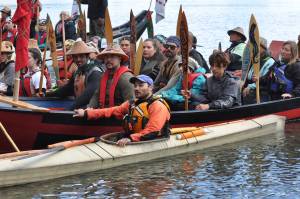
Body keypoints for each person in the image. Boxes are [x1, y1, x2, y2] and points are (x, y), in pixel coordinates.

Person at [74, 74, 171, 146]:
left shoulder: (157, 105)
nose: (136, 88)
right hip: (136, 138)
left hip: (155, 140)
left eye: (141, 85)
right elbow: (112, 110)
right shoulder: (132, 103)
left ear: (150, 87)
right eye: (135, 85)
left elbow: (152, 130)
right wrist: (87, 113)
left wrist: (130, 139)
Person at [46, 41, 102, 110]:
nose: (78, 59)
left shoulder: (95, 73)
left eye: (81, 56)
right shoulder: (77, 73)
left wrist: (70, 109)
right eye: (75, 57)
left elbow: (88, 95)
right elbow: (66, 89)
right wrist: (47, 95)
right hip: (79, 110)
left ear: (87, 56)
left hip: (91, 112)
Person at [243, 37, 275, 104]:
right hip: (250, 90)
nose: (251, 48)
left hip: (262, 93)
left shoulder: (270, 62)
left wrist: (250, 87)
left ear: (262, 48)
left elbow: (266, 81)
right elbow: (248, 77)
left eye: (254, 45)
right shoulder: (255, 59)